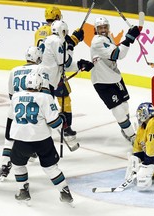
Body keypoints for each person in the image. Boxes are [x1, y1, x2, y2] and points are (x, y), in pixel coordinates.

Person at [8, 71, 74, 205]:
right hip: (42, 140)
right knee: (51, 168)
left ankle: (23, 191)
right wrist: (62, 118)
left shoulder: (16, 97)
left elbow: (12, 116)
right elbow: (54, 123)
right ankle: (64, 192)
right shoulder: (45, 97)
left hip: (21, 139)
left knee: (18, 164)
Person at [35, 6, 85, 140]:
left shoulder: (39, 31)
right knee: (64, 98)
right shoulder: (56, 34)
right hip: (54, 72)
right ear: (57, 17)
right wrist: (75, 39)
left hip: (40, 72)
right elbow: (64, 55)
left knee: (44, 101)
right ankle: (65, 126)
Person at [0, 46, 43, 181]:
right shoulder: (39, 69)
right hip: (33, 110)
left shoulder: (14, 70)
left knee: (9, 139)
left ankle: (4, 166)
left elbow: (11, 93)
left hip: (15, 109)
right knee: (38, 136)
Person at [90, 17, 141, 145]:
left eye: (105, 27)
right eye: (100, 28)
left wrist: (129, 37)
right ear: (95, 30)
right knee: (118, 110)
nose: (103, 30)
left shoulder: (108, 38)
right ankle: (132, 136)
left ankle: (126, 128)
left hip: (114, 77)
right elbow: (117, 54)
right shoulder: (97, 42)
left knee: (124, 106)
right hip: (102, 81)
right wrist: (129, 38)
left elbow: (116, 49)